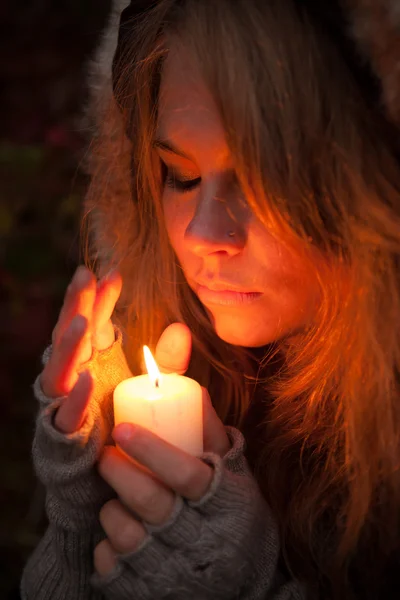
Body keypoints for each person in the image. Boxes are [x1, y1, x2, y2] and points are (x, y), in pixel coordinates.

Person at [21, 0, 400, 598]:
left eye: (263, 180)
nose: (202, 233)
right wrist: (84, 520)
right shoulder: (197, 362)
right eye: (182, 176)